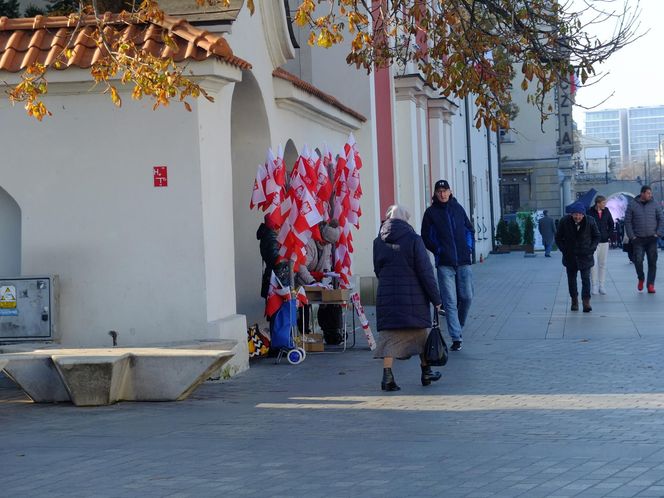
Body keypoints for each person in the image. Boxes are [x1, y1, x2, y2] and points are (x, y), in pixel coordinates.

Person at [373, 205, 443, 391]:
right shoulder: (414, 240)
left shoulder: (378, 241)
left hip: (387, 297)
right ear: (405, 219)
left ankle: (387, 377)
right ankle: (426, 371)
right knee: (421, 336)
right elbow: (426, 272)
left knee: (389, 339)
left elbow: (378, 270)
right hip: (414, 298)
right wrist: (436, 299)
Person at [421, 179, 474, 351]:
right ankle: (456, 336)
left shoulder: (458, 208)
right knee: (450, 301)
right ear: (435, 194)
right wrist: (439, 250)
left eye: (445, 190)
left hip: (464, 261)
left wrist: (469, 248)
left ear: (450, 191)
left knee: (466, 297)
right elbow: (426, 237)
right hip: (445, 264)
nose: (443, 194)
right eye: (439, 191)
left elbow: (469, 229)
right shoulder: (430, 213)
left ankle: (458, 326)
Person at [295, 220, 341, 335]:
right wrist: (312, 282)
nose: (327, 244)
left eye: (329, 243)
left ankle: (329, 330)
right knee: (304, 302)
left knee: (327, 297)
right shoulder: (309, 243)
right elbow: (301, 266)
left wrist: (326, 277)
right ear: (322, 236)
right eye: (326, 242)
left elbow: (326, 262)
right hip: (302, 279)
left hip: (316, 279)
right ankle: (304, 331)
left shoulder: (328, 245)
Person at [555, 201, 600, 312]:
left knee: (585, 279)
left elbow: (597, 236)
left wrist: (591, 249)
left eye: (580, 214)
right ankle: (574, 300)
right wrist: (563, 249)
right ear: (571, 214)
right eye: (575, 214)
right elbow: (558, 237)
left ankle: (586, 302)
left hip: (585, 255)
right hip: (570, 256)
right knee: (571, 280)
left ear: (583, 214)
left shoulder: (590, 221)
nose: (577, 217)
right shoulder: (564, 221)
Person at [624, 186, 664, 293]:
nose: (650, 195)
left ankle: (650, 284)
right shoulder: (632, 204)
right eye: (648, 193)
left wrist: (658, 234)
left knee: (652, 262)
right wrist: (632, 236)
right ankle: (641, 278)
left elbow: (661, 219)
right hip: (638, 239)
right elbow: (627, 221)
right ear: (642, 193)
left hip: (652, 238)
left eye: (650, 193)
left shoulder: (655, 204)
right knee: (638, 260)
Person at [586, 195, 614, 295]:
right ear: (598, 203)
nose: (605, 204)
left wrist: (609, 235)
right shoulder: (589, 212)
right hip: (593, 242)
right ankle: (594, 285)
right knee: (593, 264)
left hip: (604, 241)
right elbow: (586, 226)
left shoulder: (606, 211)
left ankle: (601, 285)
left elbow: (611, 224)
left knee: (603, 264)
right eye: (603, 203)